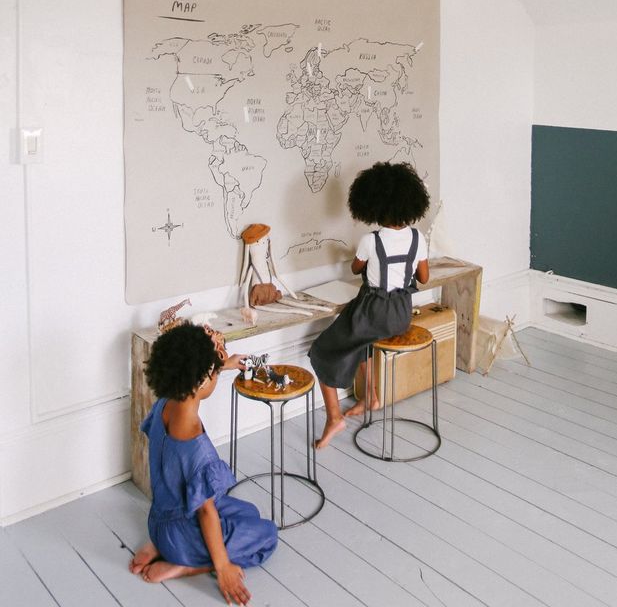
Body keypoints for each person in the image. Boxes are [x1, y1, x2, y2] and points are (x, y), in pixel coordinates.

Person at [129, 323, 278, 605]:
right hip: (181, 535)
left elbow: (199, 382)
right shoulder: (195, 443)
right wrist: (223, 568)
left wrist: (221, 366)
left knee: (247, 511)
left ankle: (160, 543)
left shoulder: (166, 401)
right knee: (267, 533)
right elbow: (207, 513)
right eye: (214, 372)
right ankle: (188, 564)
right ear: (201, 380)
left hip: (159, 520)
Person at [308, 161, 431, 449]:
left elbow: (354, 269)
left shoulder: (370, 240)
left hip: (373, 312)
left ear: (373, 205)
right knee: (364, 342)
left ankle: (334, 417)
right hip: (401, 315)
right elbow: (423, 278)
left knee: (321, 351)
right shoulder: (417, 237)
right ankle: (371, 398)